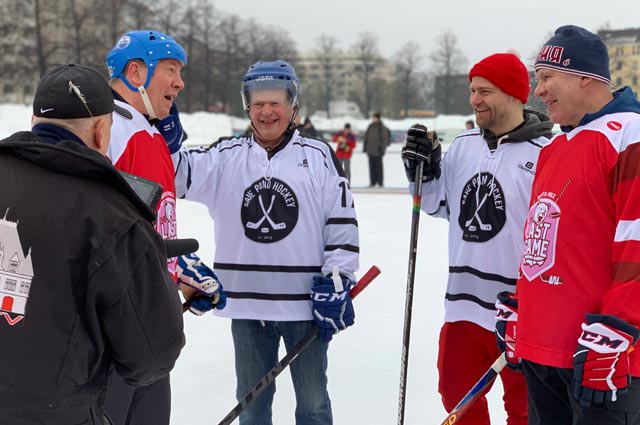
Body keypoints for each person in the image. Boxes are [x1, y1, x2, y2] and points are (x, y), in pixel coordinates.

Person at [170, 60, 360, 425]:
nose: (266, 111)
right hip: (247, 306)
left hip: (305, 307)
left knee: (313, 403)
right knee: (252, 405)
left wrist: (338, 280)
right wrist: (162, 130)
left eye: (275, 102)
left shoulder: (318, 157)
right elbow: (175, 173)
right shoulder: (225, 157)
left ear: (293, 107)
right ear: (247, 106)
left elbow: (342, 224)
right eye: (258, 103)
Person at [0, 64, 185, 424]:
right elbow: (152, 355)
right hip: (59, 412)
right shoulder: (113, 213)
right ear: (101, 132)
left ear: (35, 120)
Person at [401, 53, 554, 425]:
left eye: (485, 91)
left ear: (515, 95)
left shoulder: (547, 153)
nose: (475, 100)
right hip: (463, 302)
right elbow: (439, 206)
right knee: (457, 397)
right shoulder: (464, 145)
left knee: (525, 406)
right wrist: (422, 173)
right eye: (472, 91)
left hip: (519, 308)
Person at [499, 25, 640, 425]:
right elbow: (543, 241)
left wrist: (621, 327)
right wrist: (522, 308)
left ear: (586, 77)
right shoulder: (556, 146)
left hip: (603, 355)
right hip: (543, 351)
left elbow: (637, 240)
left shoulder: (630, 135)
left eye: (546, 78)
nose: (537, 91)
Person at [104, 30, 226, 425]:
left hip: (150, 321)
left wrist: (179, 267)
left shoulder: (149, 130)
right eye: (170, 70)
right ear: (135, 72)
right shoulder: (110, 127)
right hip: (115, 326)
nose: (180, 82)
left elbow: (150, 221)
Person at [363, 112, 390, 187]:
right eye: (372, 118)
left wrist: (382, 149)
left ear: (378, 118)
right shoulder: (370, 126)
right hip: (370, 151)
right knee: (371, 168)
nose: (373, 119)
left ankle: (380, 182)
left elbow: (385, 139)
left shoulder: (381, 127)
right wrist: (365, 147)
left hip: (378, 151)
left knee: (379, 168)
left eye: (374, 118)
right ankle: (372, 182)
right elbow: (366, 137)